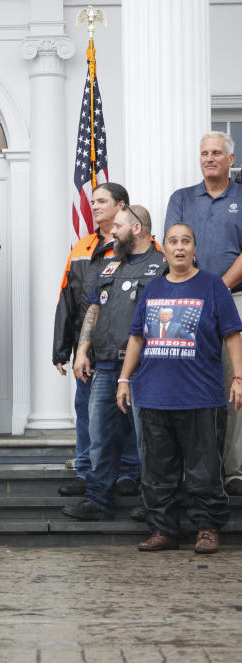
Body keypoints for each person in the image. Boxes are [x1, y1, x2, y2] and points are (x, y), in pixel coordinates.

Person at [117, 222, 242, 554]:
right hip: (155, 395)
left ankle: (206, 528)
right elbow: (136, 337)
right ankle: (163, 529)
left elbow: (232, 334)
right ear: (166, 249)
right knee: (158, 471)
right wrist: (124, 379)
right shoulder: (153, 290)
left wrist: (239, 378)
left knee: (203, 471)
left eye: (186, 241)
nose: (179, 247)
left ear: (194, 249)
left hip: (201, 396)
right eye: (173, 241)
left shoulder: (213, 286)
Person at [64, 204, 162, 522]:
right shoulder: (110, 265)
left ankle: (151, 501)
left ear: (136, 229)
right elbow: (93, 308)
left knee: (147, 438)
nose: (112, 231)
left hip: (145, 367)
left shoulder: (161, 265)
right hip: (104, 365)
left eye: (118, 226)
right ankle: (98, 498)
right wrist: (81, 351)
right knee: (99, 434)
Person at [165, 131, 242, 496]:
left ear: (230, 158)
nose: (209, 158)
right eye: (204, 153)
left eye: (216, 153)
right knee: (188, 385)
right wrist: (198, 289)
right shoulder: (181, 198)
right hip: (187, 301)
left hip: (234, 298)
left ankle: (233, 471)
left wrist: (219, 288)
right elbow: (175, 244)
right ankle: (188, 471)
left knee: (233, 385)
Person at [53, 183, 124, 497]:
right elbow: (66, 298)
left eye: (101, 201)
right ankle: (85, 471)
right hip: (86, 349)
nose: (94, 206)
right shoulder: (81, 246)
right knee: (84, 410)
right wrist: (61, 348)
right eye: (92, 201)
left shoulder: (138, 245)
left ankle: (125, 474)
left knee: (121, 414)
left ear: (121, 205)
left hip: (122, 348)